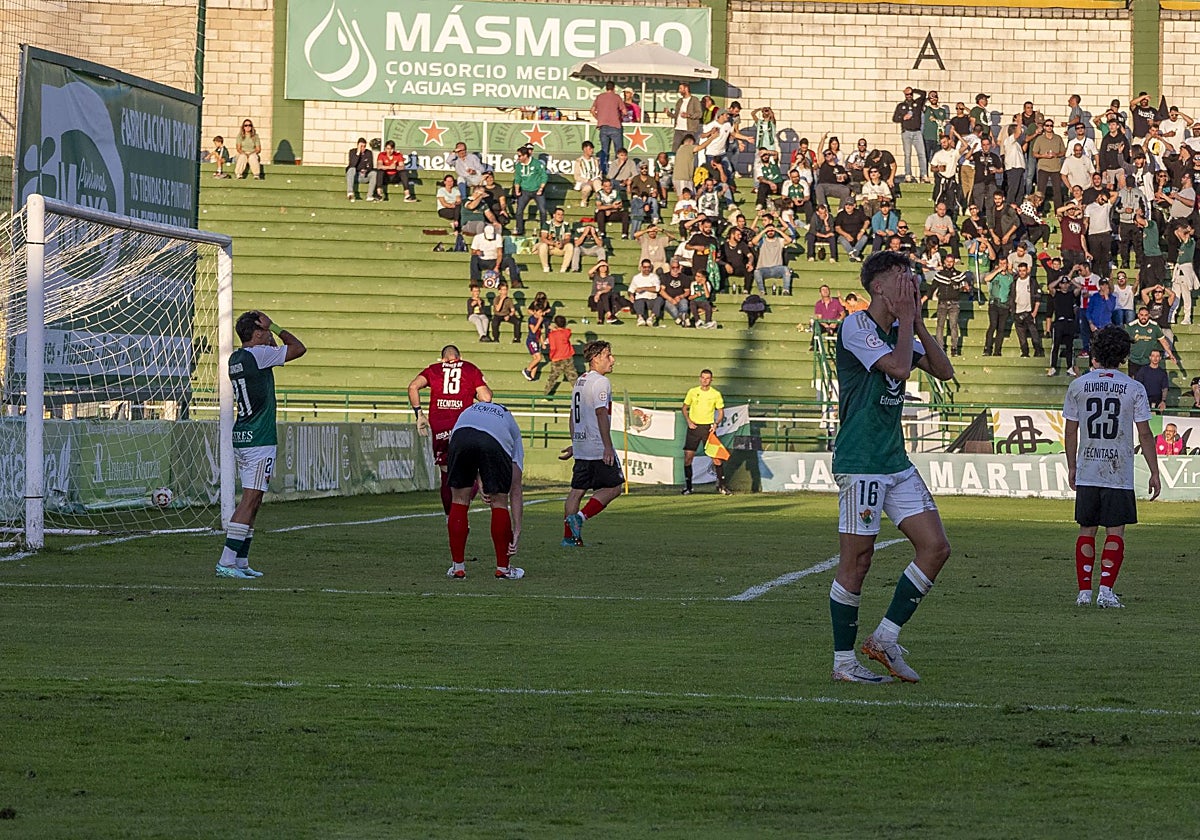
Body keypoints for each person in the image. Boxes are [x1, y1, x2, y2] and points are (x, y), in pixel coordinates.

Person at [828, 250, 955, 684]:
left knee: (936, 548)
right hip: (861, 461)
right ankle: (844, 663)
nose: (912, 282)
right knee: (858, 561)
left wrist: (915, 323)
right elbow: (899, 368)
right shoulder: (856, 325)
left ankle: (883, 638)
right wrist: (905, 322)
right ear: (879, 286)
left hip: (894, 461)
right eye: (903, 276)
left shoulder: (899, 331)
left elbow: (944, 370)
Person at [1063, 326, 1161, 609]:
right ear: (1124, 354)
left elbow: (1070, 431)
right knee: (1115, 531)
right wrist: (1154, 471)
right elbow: (1145, 434)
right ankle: (1105, 591)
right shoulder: (1134, 388)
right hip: (1118, 471)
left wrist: (1072, 466)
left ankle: (1084, 592)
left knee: (1087, 529)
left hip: (1088, 468)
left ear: (1095, 352)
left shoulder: (1078, 385)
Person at [216, 311, 306, 579]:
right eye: (264, 331)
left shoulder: (237, 358)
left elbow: (274, 353)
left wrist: (268, 337)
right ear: (257, 334)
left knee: (254, 501)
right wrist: (275, 327)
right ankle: (226, 562)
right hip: (259, 437)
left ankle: (241, 561)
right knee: (250, 500)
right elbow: (299, 348)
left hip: (244, 435)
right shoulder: (260, 355)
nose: (268, 335)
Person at [444, 402, 525, 580]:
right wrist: (517, 529)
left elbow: (469, 445)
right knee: (499, 501)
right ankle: (503, 568)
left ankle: (458, 568)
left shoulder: (469, 411)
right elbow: (515, 488)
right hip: (493, 440)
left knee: (459, 500)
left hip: (460, 436)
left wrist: (479, 479)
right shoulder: (513, 431)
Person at [407, 345, 492, 515]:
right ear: (459, 357)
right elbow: (486, 398)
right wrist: (472, 393)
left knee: (446, 473)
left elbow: (413, 387)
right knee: (469, 469)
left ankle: (450, 517)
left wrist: (419, 415)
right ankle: (464, 505)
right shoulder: (469, 368)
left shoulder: (434, 369)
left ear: (443, 359)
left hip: (441, 426)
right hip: (464, 424)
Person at [560, 341, 622, 547]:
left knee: (577, 491)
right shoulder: (601, 382)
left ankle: (569, 538)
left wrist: (575, 443)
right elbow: (601, 412)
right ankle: (580, 518)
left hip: (582, 445)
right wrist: (607, 447)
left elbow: (572, 415)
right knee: (614, 487)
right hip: (597, 445)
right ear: (596, 359)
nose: (612, 360)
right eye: (608, 355)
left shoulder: (580, 381)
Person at [681, 369, 729, 495]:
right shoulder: (693, 392)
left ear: (711, 380)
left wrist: (716, 424)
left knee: (716, 458)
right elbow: (684, 408)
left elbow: (721, 412)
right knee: (688, 458)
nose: (705, 380)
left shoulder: (715, 394)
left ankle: (722, 486)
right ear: (700, 378)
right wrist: (688, 421)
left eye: (707, 378)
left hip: (708, 429)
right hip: (694, 428)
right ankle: (689, 487)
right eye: (703, 378)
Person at [924, 253, 971, 356]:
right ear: (944, 262)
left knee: (953, 325)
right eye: (948, 261)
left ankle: (954, 348)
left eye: (951, 262)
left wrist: (966, 287)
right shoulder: (940, 274)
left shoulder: (959, 274)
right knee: (940, 326)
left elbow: (966, 286)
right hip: (942, 303)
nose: (949, 263)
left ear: (954, 262)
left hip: (954, 303)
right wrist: (923, 299)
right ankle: (940, 348)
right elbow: (932, 288)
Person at [1125, 305, 1178, 378]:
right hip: (1134, 360)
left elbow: (1163, 341)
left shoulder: (1154, 326)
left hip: (1149, 361)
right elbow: (1124, 341)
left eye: (1146, 315)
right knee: (1134, 382)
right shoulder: (1131, 326)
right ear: (1138, 315)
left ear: (1149, 315)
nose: (1143, 317)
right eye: (1141, 315)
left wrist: (1170, 354)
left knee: (1148, 382)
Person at [512, 146, 548, 236]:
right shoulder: (518, 166)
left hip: (537, 190)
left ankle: (544, 231)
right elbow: (517, 179)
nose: (518, 158)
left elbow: (544, 176)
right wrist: (517, 190)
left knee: (543, 211)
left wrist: (541, 188)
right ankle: (519, 229)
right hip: (525, 190)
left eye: (519, 156)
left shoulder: (536, 163)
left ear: (525, 156)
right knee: (519, 211)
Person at [591, 80, 626, 172]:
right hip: (615, 126)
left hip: (603, 126)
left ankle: (603, 171)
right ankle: (618, 170)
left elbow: (592, 110)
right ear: (614, 88)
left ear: (606, 88)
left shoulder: (599, 97)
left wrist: (599, 118)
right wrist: (619, 117)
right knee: (618, 151)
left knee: (604, 151)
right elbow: (625, 112)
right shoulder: (617, 97)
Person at [542, 316, 577, 397]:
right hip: (567, 357)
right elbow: (567, 331)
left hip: (556, 358)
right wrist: (556, 329)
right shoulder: (566, 333)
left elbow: (552, 347)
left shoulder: (552, 335)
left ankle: (546, 395)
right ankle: (580, 395)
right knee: (573, 377)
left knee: (552, 378)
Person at [521, 292, 551, 381]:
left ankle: (531, 376)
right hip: (531, 340)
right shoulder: (532, 319)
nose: (541, 314)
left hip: (536, 340)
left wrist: (543, 343)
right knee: (538, 358)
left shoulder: (539, 319)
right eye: (540, 312)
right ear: (535, 311)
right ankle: (527, 370)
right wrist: (539, 321)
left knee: (536, 359)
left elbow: (540, 332)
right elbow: (534, 330)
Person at [629, 259, 665, 326]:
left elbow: (657, 289)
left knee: (660, 299)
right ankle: (640, 318)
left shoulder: (654, 277)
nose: (647, 269)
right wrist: (631, 295)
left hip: (652, 300)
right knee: (638, 300)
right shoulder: (636, 277)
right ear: (641, 267)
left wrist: (643, 288)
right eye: (645, 267)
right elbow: (631, 289)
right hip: (640, 299)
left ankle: (651, 318)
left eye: (648, 267)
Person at [345, 137, 377, 202]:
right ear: (358, 145)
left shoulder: (368, 153)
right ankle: (350, 192)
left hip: (365, 175)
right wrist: (358, 153)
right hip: (355, 176)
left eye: (364, 146)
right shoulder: (352, 152)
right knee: (352, 169)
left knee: (374, 173)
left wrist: (366, 170)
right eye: (361, 146)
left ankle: (369, 196)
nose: (363, 148)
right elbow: (352, 164)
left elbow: (370, 166)